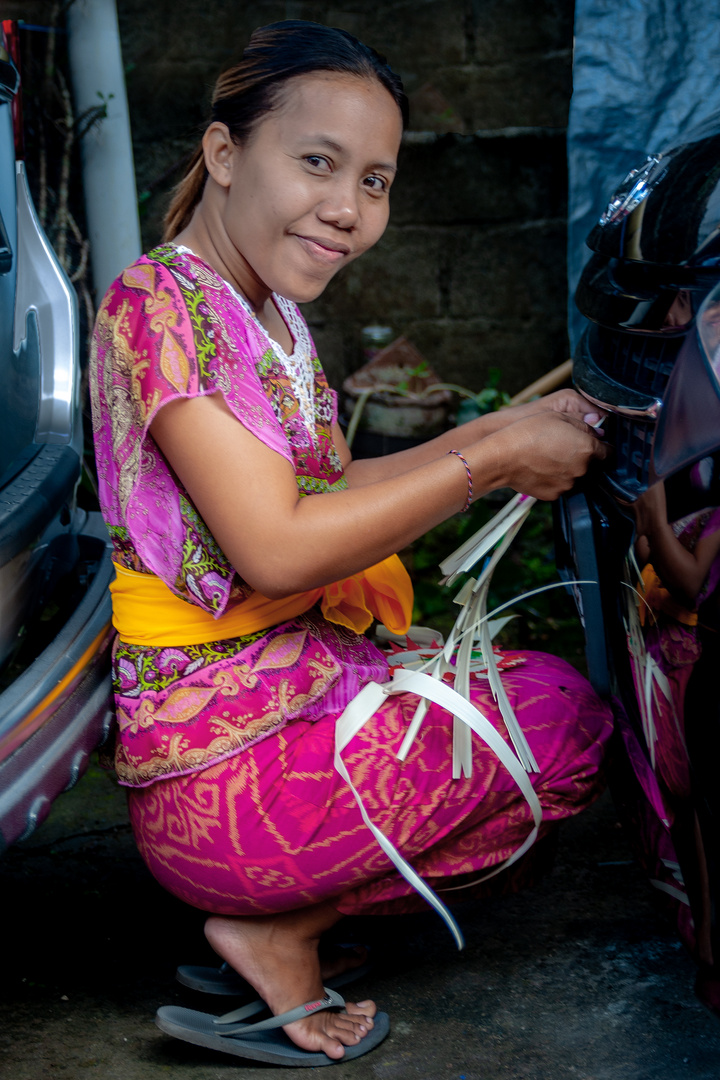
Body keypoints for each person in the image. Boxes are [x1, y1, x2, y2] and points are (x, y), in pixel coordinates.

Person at [90, 19, 613, 1066]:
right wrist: (496, 463)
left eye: (375, 181)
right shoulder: (160, 309)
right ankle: (277, 925)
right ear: (225, 154)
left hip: (286, 694)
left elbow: (323, 488)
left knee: (529, 692)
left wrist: (503, 430)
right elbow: (280, 550)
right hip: (223, 774)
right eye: (318, 163)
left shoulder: (257, 309)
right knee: (561, 728)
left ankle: (287, 909)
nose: (348, 208)